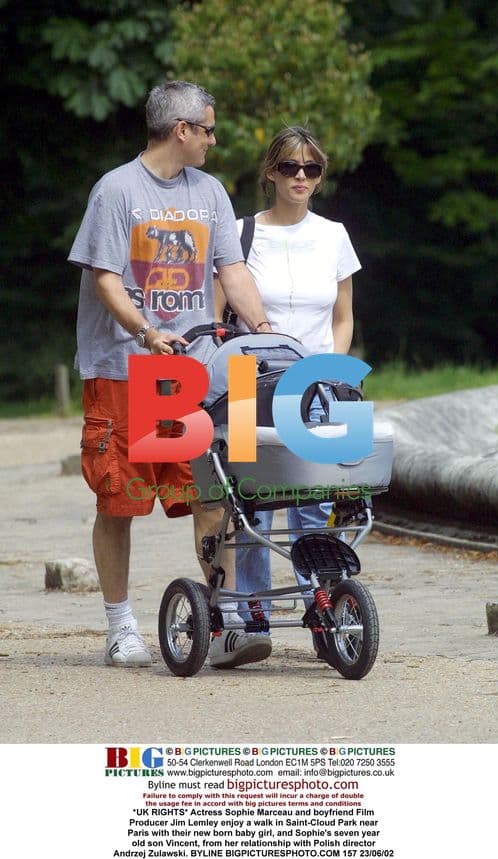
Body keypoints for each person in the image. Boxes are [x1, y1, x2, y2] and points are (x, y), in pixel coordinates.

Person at [69, 80, 273, 670]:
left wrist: (263, 329)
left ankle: (222, 616)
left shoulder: (209, 192)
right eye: (208, 128)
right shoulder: (116, 191)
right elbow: (106, 277)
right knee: (120, 497)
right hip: (122, 368)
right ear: (181, 130)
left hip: (195, 369)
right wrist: (146, 332)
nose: (214, 138)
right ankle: (119, 625)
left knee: (210, 491)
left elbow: (230, 269)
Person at [214, 125, 361, 659]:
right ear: (270, 173)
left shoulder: (335, 235)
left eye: (312, 169)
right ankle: (253, 622)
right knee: (252, 506)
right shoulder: (241, 233)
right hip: (249, 384)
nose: (301, 177)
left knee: (314, 503)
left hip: (316, 386)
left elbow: (343, 318)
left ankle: (321, 612)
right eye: (290, 167)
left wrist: (334, 369)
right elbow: (217, 319)